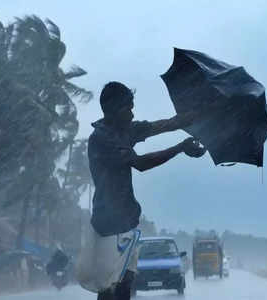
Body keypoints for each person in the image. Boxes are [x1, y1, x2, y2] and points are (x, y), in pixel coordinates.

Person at [88, 81, 206, 300]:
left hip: (126, 222)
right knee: (110, 290)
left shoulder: (123, 129)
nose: (132, 114)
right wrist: (180, 148)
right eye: (128, 109)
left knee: (124, 287)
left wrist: (194, 116)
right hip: (108, 226)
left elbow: (160, 126)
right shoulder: (102, 139)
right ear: (113, 111)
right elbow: (141, 163)